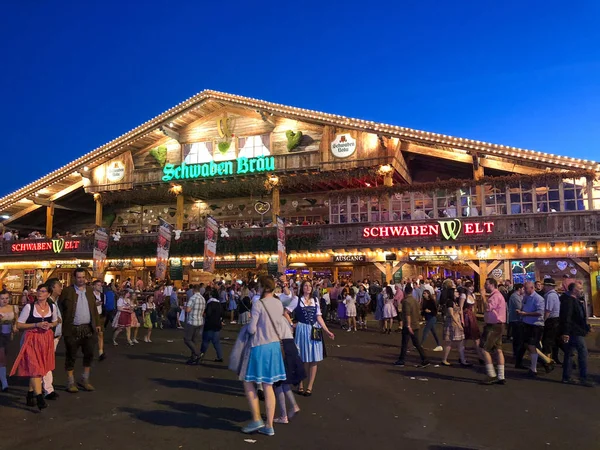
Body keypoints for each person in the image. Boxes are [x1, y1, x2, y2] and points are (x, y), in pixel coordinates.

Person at [241, 276, 288, 437]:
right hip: (274, 346)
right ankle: (269, 424)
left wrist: (249, 324)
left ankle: (256, 418)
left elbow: (252, 329)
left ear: (262, 287)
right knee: (269, 386)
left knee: (248, 381)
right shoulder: (278, 303)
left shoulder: (258, 304)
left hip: (260, 346)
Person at [11, 284, 59, 410]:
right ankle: (39, 398)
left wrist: (49, 325)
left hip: (45, 340)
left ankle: (30, 394)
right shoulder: (29, 307)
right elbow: (20, 325)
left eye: (43, 291)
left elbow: (55, 321)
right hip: (31, 339)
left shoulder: (52, 307)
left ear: (48, 294)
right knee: (35, 368)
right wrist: (36, 324)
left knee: (40, 368)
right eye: (39, 291)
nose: (40, 293)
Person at [285, 280, 335, 397]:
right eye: (305, 286)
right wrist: (292, 324)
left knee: (314, 358)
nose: (308, 288)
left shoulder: (315, 300)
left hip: (315, 329)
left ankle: (310, 386)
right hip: (302, 330)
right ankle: (301, 384)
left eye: (309, 286)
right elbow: (286, 312)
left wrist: (327, 331)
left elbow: (319, 317)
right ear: (302, 288)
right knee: (301, 358)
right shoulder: (297, 300)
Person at [58, 268, 101, 393]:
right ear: (74, 278)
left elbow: (93, 309)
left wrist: (97, 324)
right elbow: (60, 308)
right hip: (72, 328)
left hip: (88, 328)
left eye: (83, 277)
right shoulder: (67, 291)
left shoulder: (89, 290)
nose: (81, 279)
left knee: (89, 354)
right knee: (71, 355)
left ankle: (85, 379)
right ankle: (70, 382)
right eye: (79, 277)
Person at [560, 282, 593, 386]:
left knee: (569, 353)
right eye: (580, 288)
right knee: (582, 353)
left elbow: (579, 317)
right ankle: (583, 377)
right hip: (574, 332)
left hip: (575, 331)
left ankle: (566, 377)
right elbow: (567, 317)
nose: (582, 290)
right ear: (574, 290)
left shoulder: (575, 300)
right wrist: (565, 332)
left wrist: (586, 327)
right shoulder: (569, 301)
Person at [519, 281, 554, 377]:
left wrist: (525, 314)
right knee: (530, 346)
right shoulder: (526, 297)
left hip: (536, 325)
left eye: (526, 288)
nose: (525, 290)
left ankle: (535, 368)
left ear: (532, 288)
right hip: (527, 323)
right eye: (524, 288)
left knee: (532, 346)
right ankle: (546, 362)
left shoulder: (538, 298)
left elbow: (540, 312)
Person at [394, 284, 430, 368]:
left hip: (409, 325)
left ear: (405, 292)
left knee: (405, 343)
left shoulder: (406, 301)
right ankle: (424, 359)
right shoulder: (415, 301)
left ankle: (402, 360)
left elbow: (407, 314)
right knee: (416, 343)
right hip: (416, 323)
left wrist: (408, 325)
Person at [480, 278, 507, 385]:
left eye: (486, 284)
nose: (485, 286)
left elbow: (488, 308)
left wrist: (482, 296)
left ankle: (492, 375)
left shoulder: (495, 296)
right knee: (498, 349)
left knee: (484, 349)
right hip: (498, 325)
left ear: (492, 285)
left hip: (494, 326)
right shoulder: (497, 295)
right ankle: (501, 375)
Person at [42, 278, 63, 400]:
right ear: (52, 288)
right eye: (58, 286)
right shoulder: (48, 303)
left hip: (55, 336)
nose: (60, 288)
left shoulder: (55, 301)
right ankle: (47, 389)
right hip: (49, 336)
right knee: (46, 363)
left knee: (47, 362)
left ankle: (42, 386)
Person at [441, 288, 470, 367]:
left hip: (457, 323)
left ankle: (463, 360)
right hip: (452, 324)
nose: (457, 293)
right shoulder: (450, 302)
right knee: (449, 342)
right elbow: (451, 314)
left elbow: (457, 312)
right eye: (456, 291)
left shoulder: (455, 302)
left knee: (460, 342)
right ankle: (444, 359)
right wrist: (459, 324)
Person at [0, 289, 18, 392]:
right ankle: (4, 382)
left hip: (9, 335)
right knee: (2, 358)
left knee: (6, 357)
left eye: (6, 298)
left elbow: (16, 320)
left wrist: (15, 327)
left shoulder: (13, 308)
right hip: (0, 335)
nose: (4, 300)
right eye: (2, 298)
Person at [184, 285, 206, 365]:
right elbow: (203, 311)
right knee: (195, 340)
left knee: (187, 339)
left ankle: (198, 354)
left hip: (192, 321)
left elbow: (188, 310)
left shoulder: (193, 298)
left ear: (193, 290)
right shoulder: (203, 299)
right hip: (200, 321)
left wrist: (185, 307)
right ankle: (193, 358)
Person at [199, 291, 223, 362]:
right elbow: (222, 314)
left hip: (209, 325)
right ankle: (220, 356)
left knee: (205, 342)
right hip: (217, 325)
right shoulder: (219, 304)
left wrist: (204, 315)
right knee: (216, 342)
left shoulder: (210, 304)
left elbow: (208, 314)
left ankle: (201, 355)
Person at [542, 278, 561, 363]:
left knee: (547, 340)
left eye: (545, 285)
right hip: (556, 319)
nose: (544, 287)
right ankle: (555, 357)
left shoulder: (549, 296)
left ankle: (548, 360)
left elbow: (548, 310)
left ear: (548, 286)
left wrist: (543, 320)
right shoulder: (555, 294)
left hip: (551, 320)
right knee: (555, 340)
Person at [507, 283, 526, 368]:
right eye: (523, 289)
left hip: (517, 319)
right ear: (519, 289)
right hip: (516, 320)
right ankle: (517, 356)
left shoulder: (519, 296)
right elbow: (520, 307)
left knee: (517, 339)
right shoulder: (515, 297)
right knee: (518, 339)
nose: (524, 290)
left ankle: (516, 355)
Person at [92, 280, 107, 361]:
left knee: (100, 334)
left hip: (100, 315)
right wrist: (95, 304)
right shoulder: (91, 295)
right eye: (98, 285)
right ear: (94, 286)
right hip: (93, 316)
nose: (99, 286)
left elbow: (104, 305)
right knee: (92, 334)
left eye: (100, 285)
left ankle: (101, 352)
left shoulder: (102, 295)